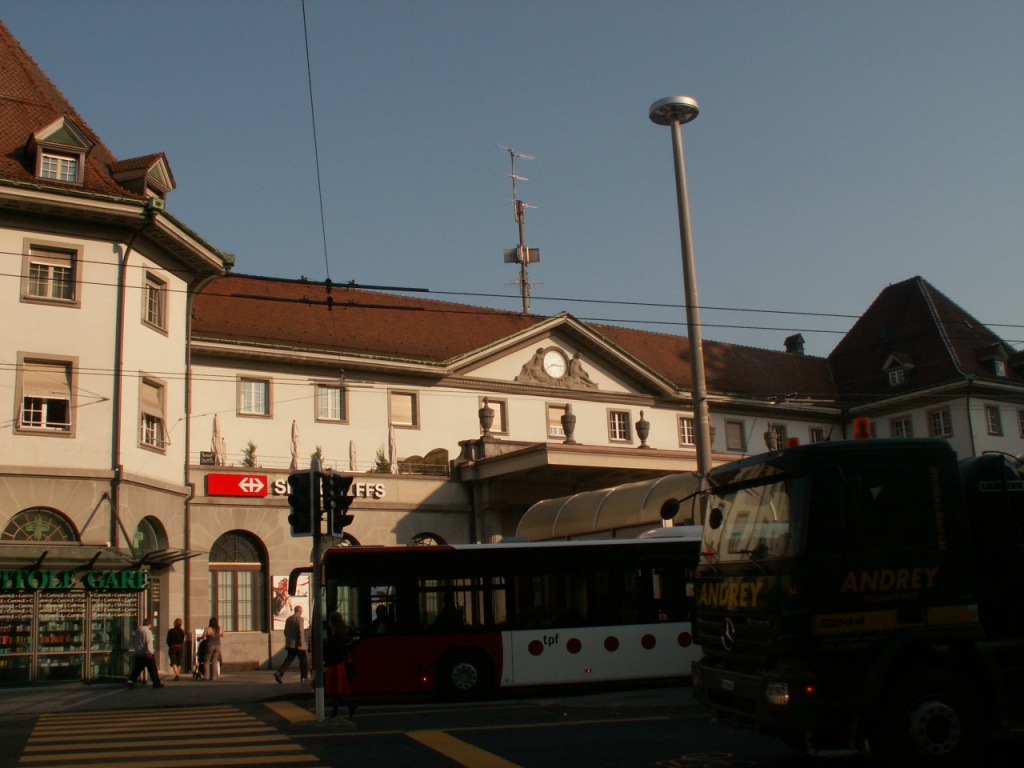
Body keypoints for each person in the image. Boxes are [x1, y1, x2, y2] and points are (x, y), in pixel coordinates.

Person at [324, 611, 356, 719]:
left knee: (335, 691)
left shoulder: (335, 636)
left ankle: (346, 707)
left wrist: (326, 663)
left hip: (334, 665)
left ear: (331, 622)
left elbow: (332, 652)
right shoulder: (341, 633)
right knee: (336, 691)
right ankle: (337, 711)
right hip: (339, 665)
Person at [274, 605, 308, 683]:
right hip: (298, 644)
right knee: (303, 661)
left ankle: (279, 673)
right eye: (301, 611)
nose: (302, 612)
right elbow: (301, 632)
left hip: (290, 643)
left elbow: (285, 631)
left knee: (289, 659)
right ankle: (304, 677)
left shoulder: (288, 619)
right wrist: (301, 643)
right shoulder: (300, 619)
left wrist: (289, 640)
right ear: (299, 611)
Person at [126, 617, 163, 688]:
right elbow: (149, 642)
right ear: (149, 624)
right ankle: (156, 682)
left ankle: (130, 681)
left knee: (137, 669)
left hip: (139, 653)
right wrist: (150, 652)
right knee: (152, 669)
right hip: (146, 654)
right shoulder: (147, 632)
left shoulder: (138, 631)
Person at [201, 617, 224, 681]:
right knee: (214, 661)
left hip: (210, 645)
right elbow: (222, 634)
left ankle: (206, 676)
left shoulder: (208, 629)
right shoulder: (219, 629)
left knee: (207, 660)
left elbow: (203, 637)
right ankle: (214, 677)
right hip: (218, 646)